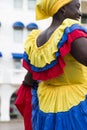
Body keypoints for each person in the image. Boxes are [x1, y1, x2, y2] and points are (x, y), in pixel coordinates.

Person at [15, 0, 87, 130]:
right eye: (77, 7)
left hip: (46, 106)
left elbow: (29, 78)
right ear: (62, 9)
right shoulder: (68, 30)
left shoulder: (37, 40)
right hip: (74, 103)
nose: (79, 13)